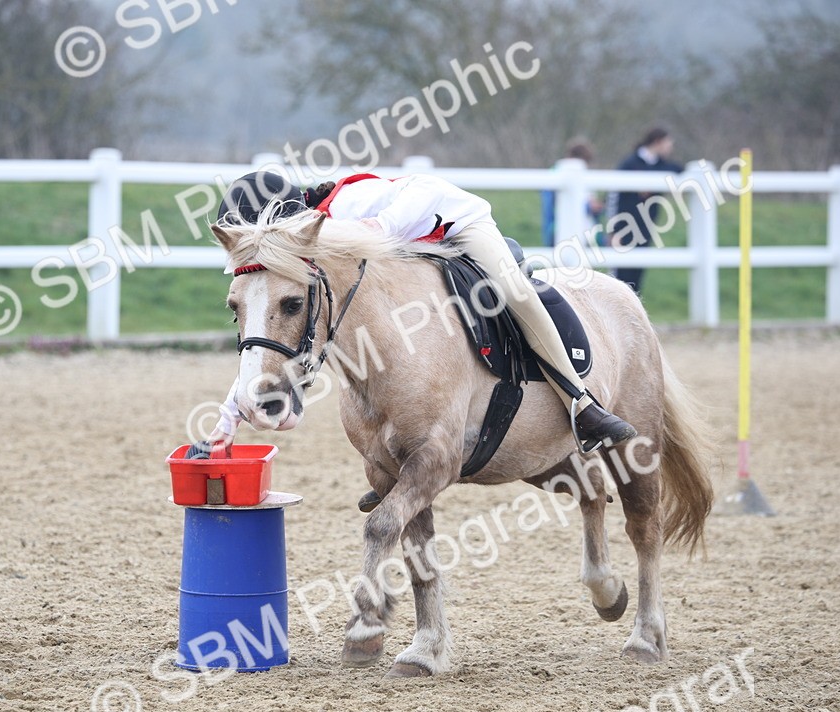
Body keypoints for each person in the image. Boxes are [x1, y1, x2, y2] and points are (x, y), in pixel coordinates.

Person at [205, 170, 638, 470]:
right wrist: (229, 418)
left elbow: (427, 193)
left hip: (456, 222)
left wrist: (383, 226)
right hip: (414, 243)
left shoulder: (346, 212)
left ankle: (581, 402)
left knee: (516, 292)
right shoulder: (309, 244)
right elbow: (270, 332)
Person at [605, 128, 683, 294]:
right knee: (620, 279)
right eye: (668, 143)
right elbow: (613, 196)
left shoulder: (662, 165)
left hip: (646, 228)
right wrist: (612, 230)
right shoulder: (629, 164)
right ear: (657, 142)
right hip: (624, 228)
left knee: (637, 277)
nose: (670, 148)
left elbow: (680, 170)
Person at [540, 137, 604, 248]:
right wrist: (588, 207)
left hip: (583, 231)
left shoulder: (581, 176)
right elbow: (559, 205)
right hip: (559, 230)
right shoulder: (557, 175)